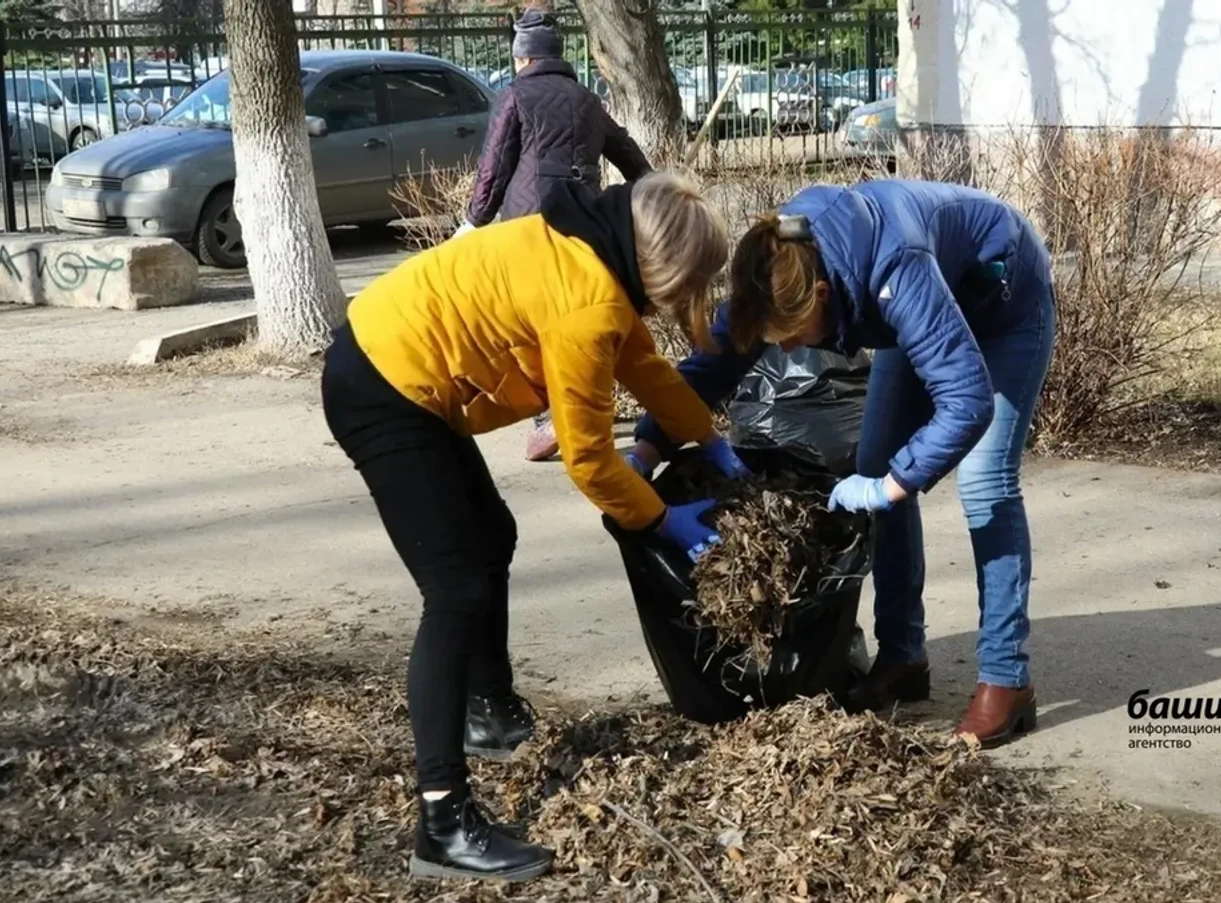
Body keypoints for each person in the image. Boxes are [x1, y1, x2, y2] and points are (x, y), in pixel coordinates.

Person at [320, 170, 752, 882]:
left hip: (394, 359)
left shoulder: (591, 248)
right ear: (669, 270)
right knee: (454, 590)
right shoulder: (588, 300)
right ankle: (442, 823)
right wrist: (659, 519)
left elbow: (644, 366)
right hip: (384, 387)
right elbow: (588, 459)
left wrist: (708, 438)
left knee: (492, 536)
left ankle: (488, 709)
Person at [627, 179, 1057, 749]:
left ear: (824, 294)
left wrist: (893, 487)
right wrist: (647, 447)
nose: (784, 351)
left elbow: (967, 401)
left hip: (1002, 299)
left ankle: (1006, 679)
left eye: (790, 338)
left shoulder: (896, 268)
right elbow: (711, 367)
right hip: (925, 304)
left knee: (984, 482)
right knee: (875, 460)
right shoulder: (773, 265)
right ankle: (903, 656)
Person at [452, 4, 656, 464]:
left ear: (523, 57)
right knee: (579, 318)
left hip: (528, 229)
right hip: (585, 227)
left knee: (530, 324)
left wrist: (474, 220)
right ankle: (587, 403)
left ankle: (550, 415)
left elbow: (494, 169)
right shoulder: (586, 100)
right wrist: (649, 195)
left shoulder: (514, 97)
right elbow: (630, 155)